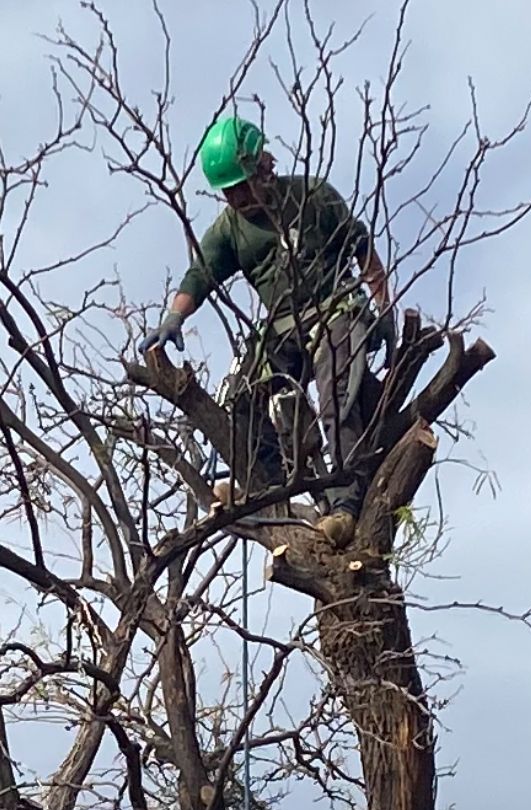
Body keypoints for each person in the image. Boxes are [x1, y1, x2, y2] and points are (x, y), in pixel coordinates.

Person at [139, 115, 395, 547]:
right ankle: (267, 491)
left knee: (337, 393)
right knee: (240, 397)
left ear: (262, 167)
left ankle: (345, 503)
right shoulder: (230, 229)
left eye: (242, 185)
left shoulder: (313, 196)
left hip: (336, 309)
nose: (236, 197)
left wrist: (384, 306)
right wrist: (174, 317)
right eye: (228, 190)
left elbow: (361, 247)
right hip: (280, 328)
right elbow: (201, 274)